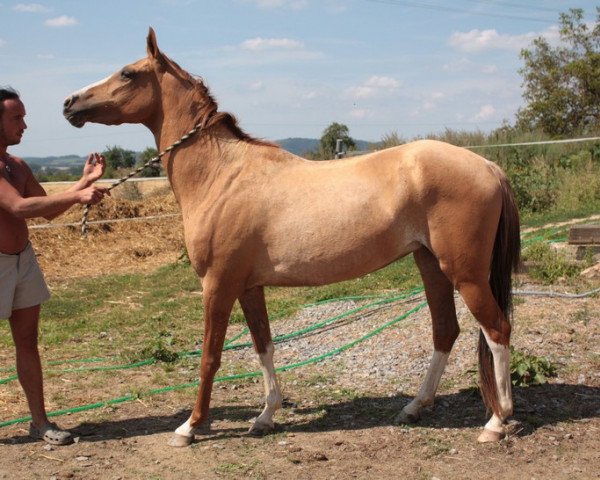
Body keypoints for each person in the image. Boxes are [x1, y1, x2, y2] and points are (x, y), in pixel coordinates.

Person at [0, 86, 109, 445]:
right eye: (17, 117)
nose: (25, 125)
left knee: (27, 341)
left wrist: (83, 183)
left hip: (23, 260)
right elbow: (17, 207)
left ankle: (40, 422)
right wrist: (79, 193)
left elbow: (45, 209)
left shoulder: (17, 165)